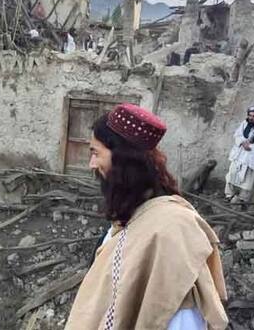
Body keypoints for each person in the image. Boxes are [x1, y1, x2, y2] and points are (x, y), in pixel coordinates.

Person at [66, 103, 228, 329]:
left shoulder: (171, 231)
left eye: (95, 152)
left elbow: (180, 316)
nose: (91, 164)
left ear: (123, 158)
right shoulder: (131, 218)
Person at [224, 107, 254, 204]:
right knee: (232, 175)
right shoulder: (244, 123)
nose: (251, 118)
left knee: (248, 180)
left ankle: (243, 200)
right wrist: (242, 142)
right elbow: (237, 135)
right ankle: (229, 195)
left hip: (251, 158)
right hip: (239, 154)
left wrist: (250, 146)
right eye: (249, 115)